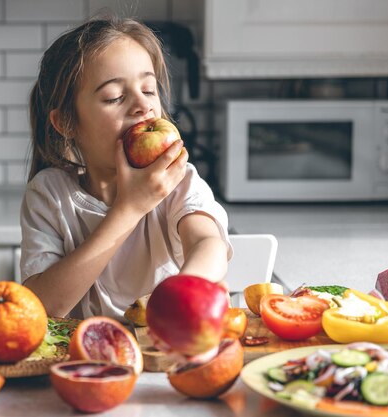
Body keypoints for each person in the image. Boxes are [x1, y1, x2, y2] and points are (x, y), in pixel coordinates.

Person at [20, 15, 231, 322]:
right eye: (115, 97)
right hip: (83, 362)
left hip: (162, 353)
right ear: (66, 122)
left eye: (148, 90)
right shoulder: (50, 194)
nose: (142, 105)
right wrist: (130, 208)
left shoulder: (178, 181)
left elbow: (207, 243)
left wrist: (185, 291)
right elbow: (43, 309)